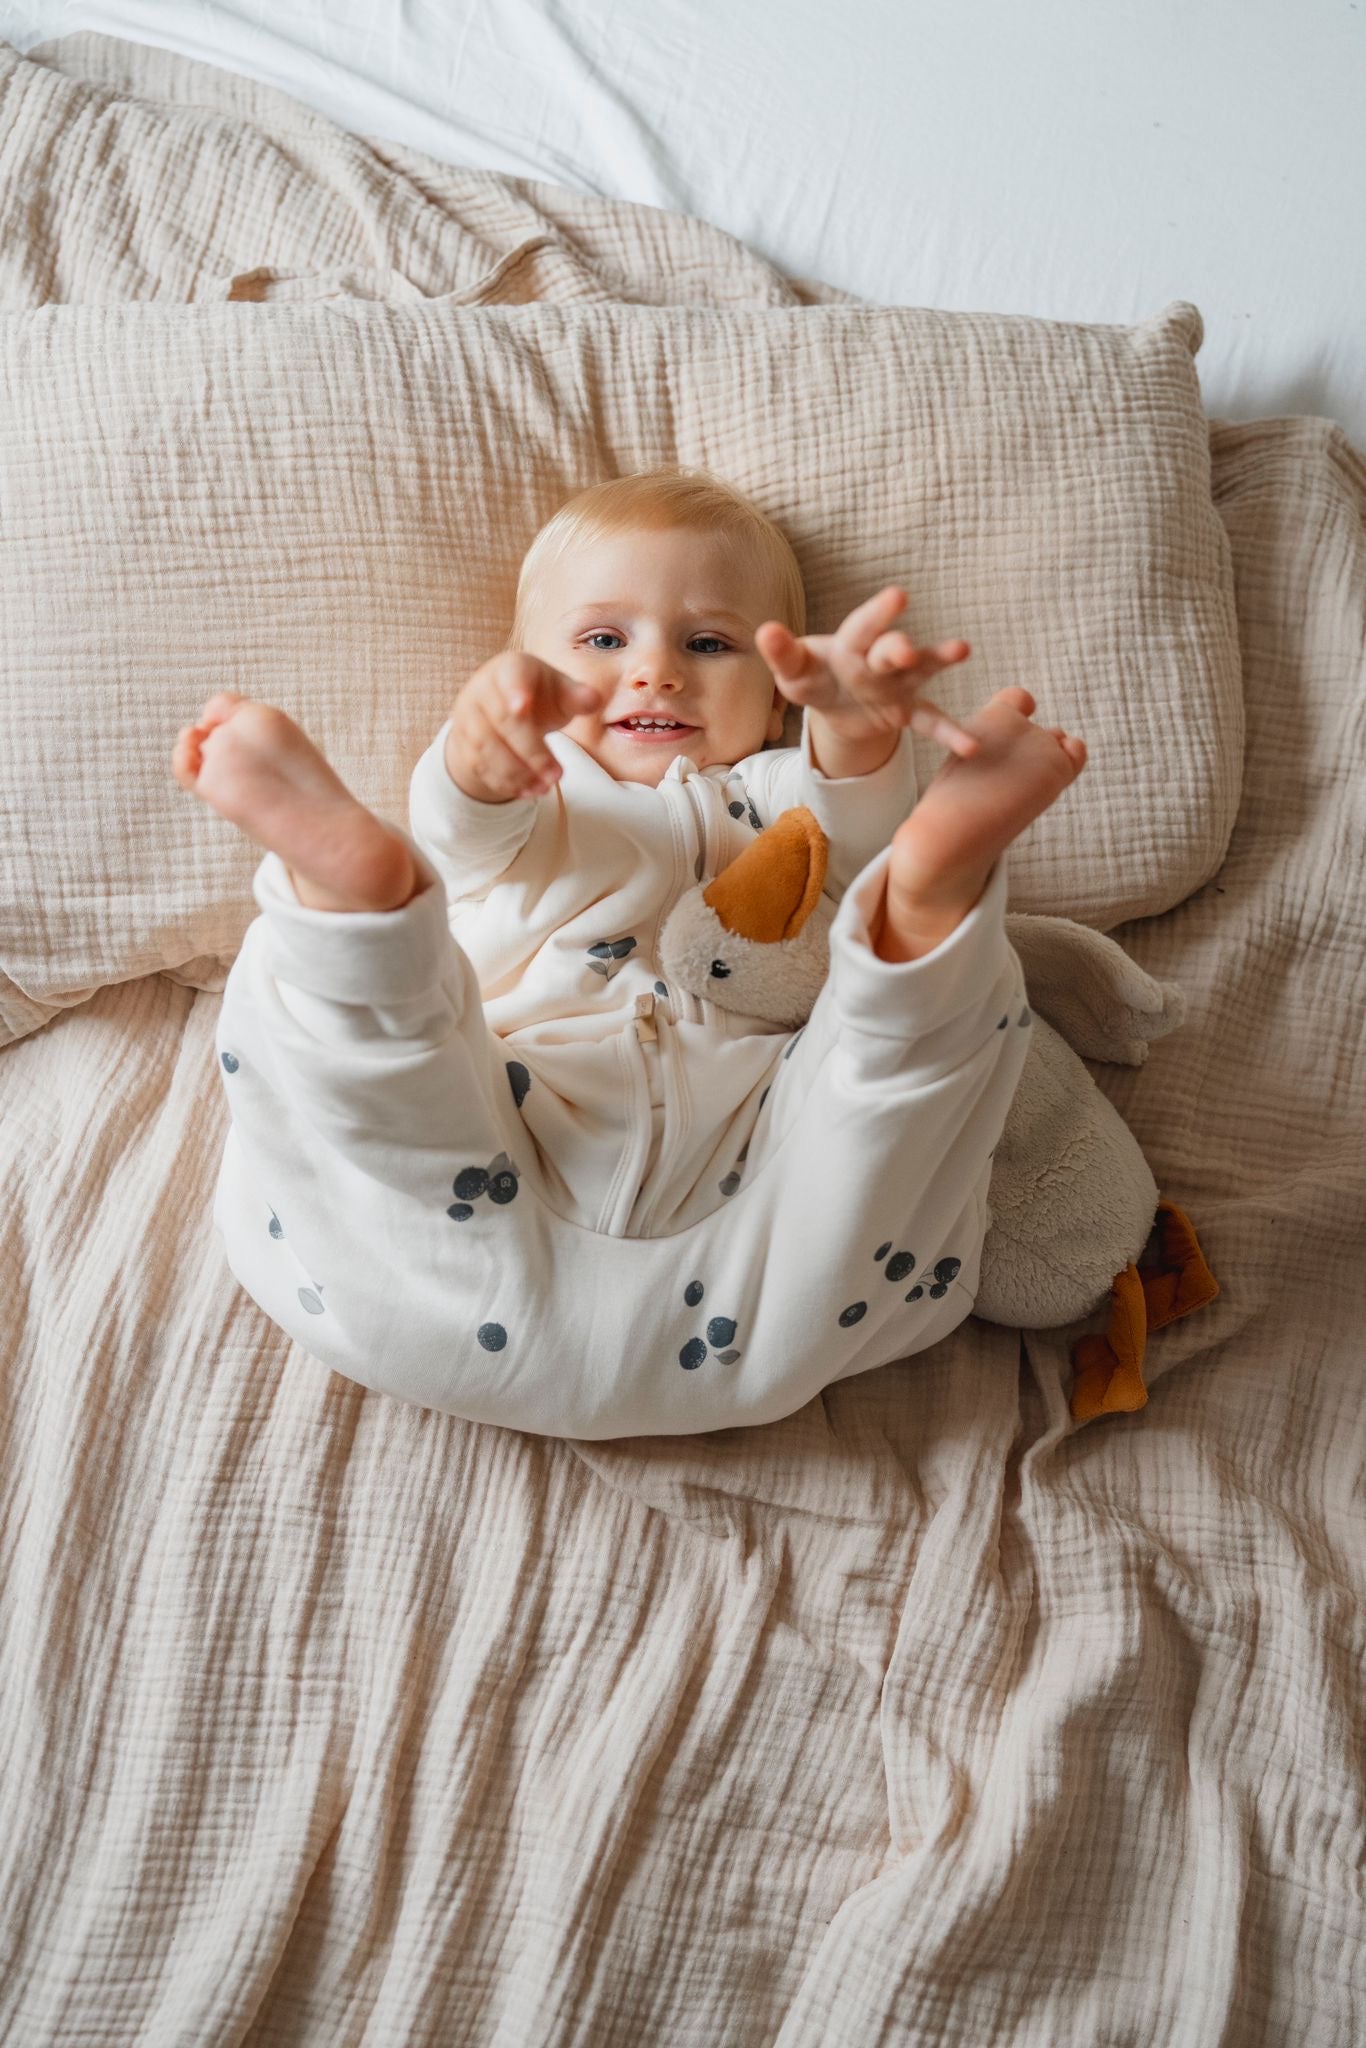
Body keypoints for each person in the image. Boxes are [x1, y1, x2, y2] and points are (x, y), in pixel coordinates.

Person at [172, 468, 1087, 1440]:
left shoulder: (778, 793)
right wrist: (484, 746)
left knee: (893, 1067)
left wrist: (856, 730)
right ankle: (351, 893)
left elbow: (850, 836)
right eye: (603, 640)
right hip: (486, 1172)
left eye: (708, 642)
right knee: (384, 1059)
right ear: (529, 675)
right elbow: (460, 828)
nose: (656, 670)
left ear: (777, 695)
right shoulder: (542, 793)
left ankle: (935, 882)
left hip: (766, 1213)